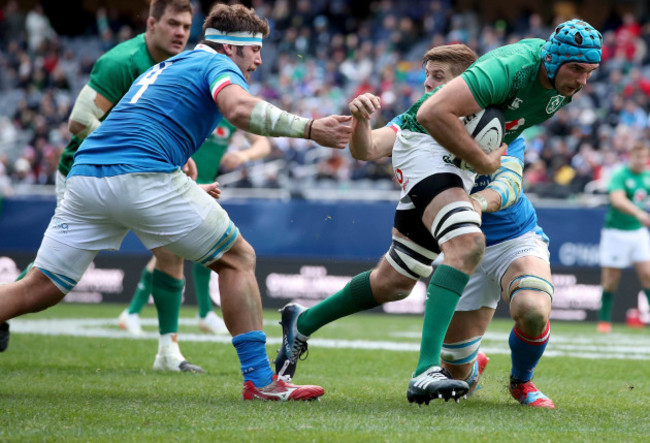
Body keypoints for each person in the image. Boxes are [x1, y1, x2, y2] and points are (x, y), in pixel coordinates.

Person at [0, 3, 351, 401]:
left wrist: (172, 180)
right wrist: (309, 127)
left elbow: (126, 124)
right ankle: (261, 381)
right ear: (229, 47)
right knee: (237, 258)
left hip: (87, 176)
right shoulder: (218, 65)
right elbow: (238, 109)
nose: (258, 59)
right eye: (254, 49)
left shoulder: (165, 66)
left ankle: (180, 350)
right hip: (142, 177)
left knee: (40, 285)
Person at [275, 19, 602, 406]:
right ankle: (427, 368)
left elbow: (508, 184)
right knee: (439, 259)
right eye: (427, 77)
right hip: (456, 225)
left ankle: (303, 323)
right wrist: (362, 121)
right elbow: (367, 149)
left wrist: (474, 198)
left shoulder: (502, 116)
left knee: (403, 280)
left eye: (439, 78)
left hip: (504, 236)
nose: (428, 86)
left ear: (470, 85)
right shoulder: (439, 111)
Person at [10, 0, 206, 373]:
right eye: (172, 23)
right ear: (151, 24)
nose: (181, 32)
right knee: (50, 279)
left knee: (172, 252)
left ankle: (168, 354)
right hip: (87, 175)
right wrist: (141, 148)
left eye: (186, 25)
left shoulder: (179, 64)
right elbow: (79, 120)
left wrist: (175, 152)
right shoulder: (122, 61)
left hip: (140, 175)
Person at [118, 122, 272, 335]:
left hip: (207, 189)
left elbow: (262, 144)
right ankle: (134, 313)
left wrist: (244, 156)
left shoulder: (229, 111)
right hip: (179, 187)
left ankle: (202, 313)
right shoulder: (194, 104)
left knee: (207, 246)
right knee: (170, 254)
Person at [598, 142, 650, 333]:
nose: (642, 161)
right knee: (611, 279)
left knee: (648, 275)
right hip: (616, 232)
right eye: (638, 157)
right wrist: (639, 213)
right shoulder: (620, 174)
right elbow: (617, 199)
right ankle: (604, 321)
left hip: (638, 232)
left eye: (645, 157)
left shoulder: (647, 176)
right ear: (631, 157)